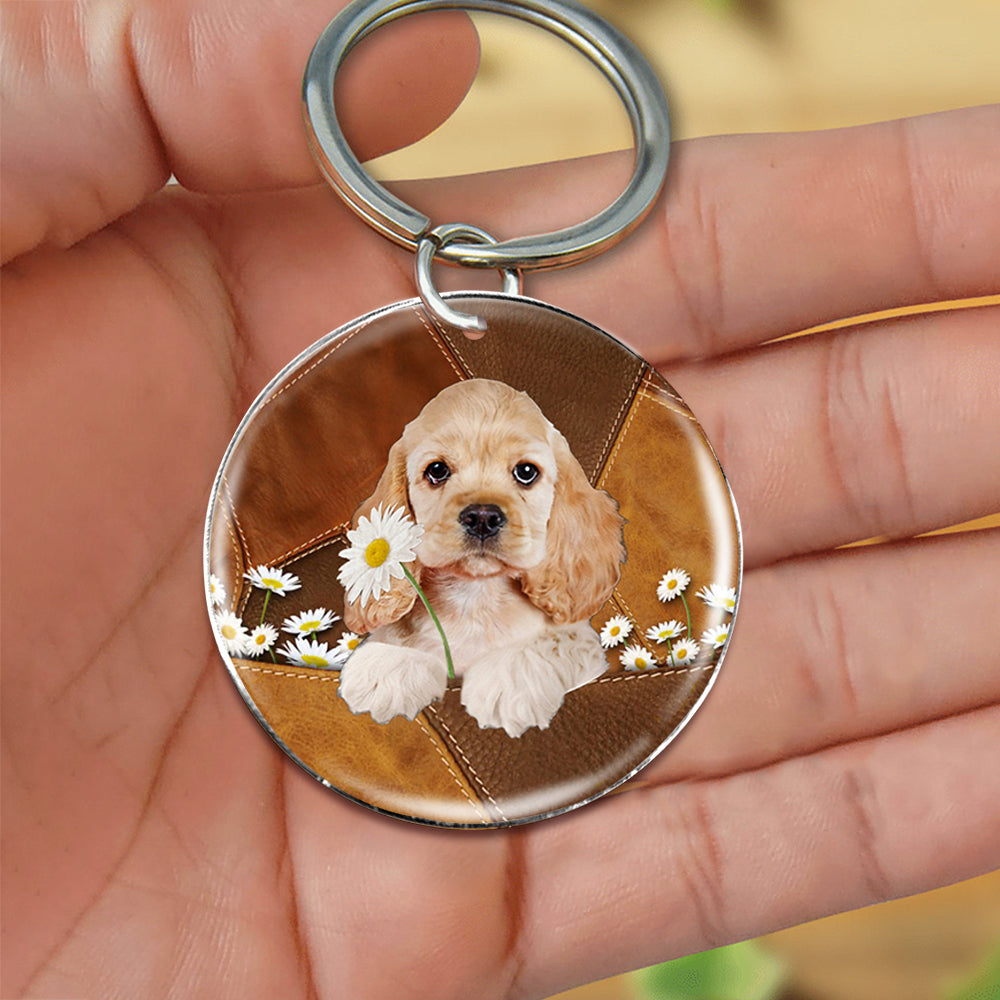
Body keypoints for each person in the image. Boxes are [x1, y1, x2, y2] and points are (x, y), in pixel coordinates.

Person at [3, 3, 998, 997]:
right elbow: (374, 664)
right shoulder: (390, 603)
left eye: (521, 476)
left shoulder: (568, 602)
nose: (479, 504)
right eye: (439, 475)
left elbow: (574, 640)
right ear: (397, 491)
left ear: (564, 495)